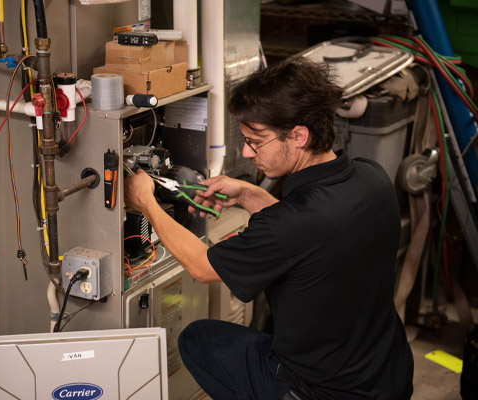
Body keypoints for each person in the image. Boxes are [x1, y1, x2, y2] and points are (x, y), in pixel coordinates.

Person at [123, 57, 414, 399]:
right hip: (388, 376)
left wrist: (147, 203)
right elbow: (319, 235)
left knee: (197, 339)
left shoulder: (289, 224)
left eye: (256, 141)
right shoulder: (373, 177)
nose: (247, 152)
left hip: (324, 391)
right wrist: (250, 194)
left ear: (299, 136)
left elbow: (202, 266)